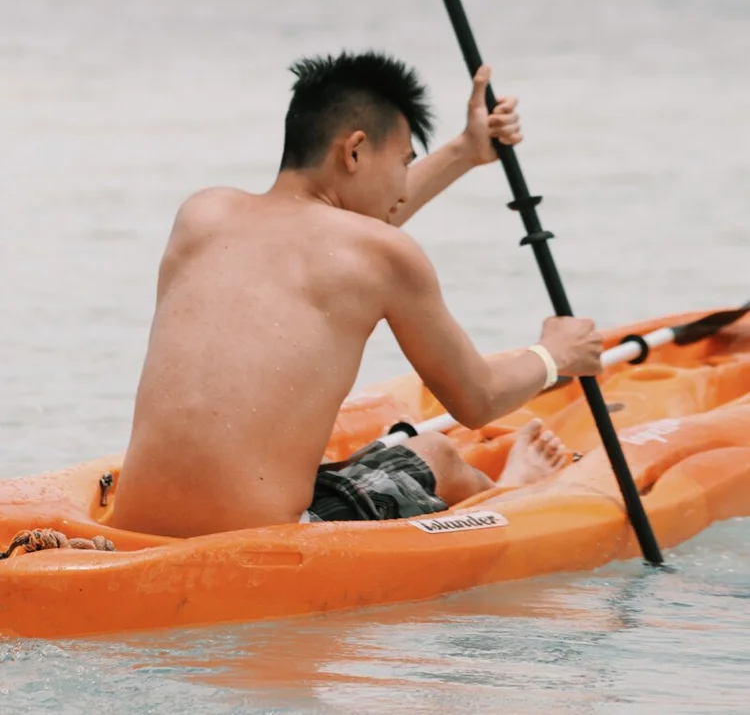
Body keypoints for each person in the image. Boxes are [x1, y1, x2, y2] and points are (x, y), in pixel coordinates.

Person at [113, 52, 602, 537]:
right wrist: (554, 353)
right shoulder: (383, 254)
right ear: (354, 151)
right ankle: (516, 489)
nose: (403, 191)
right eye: (403, 163)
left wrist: (467, 150)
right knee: (439, 454)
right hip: (259, 541)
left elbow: (347, 235)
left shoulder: (202, 214)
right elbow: (478, 400)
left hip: (137, 524)